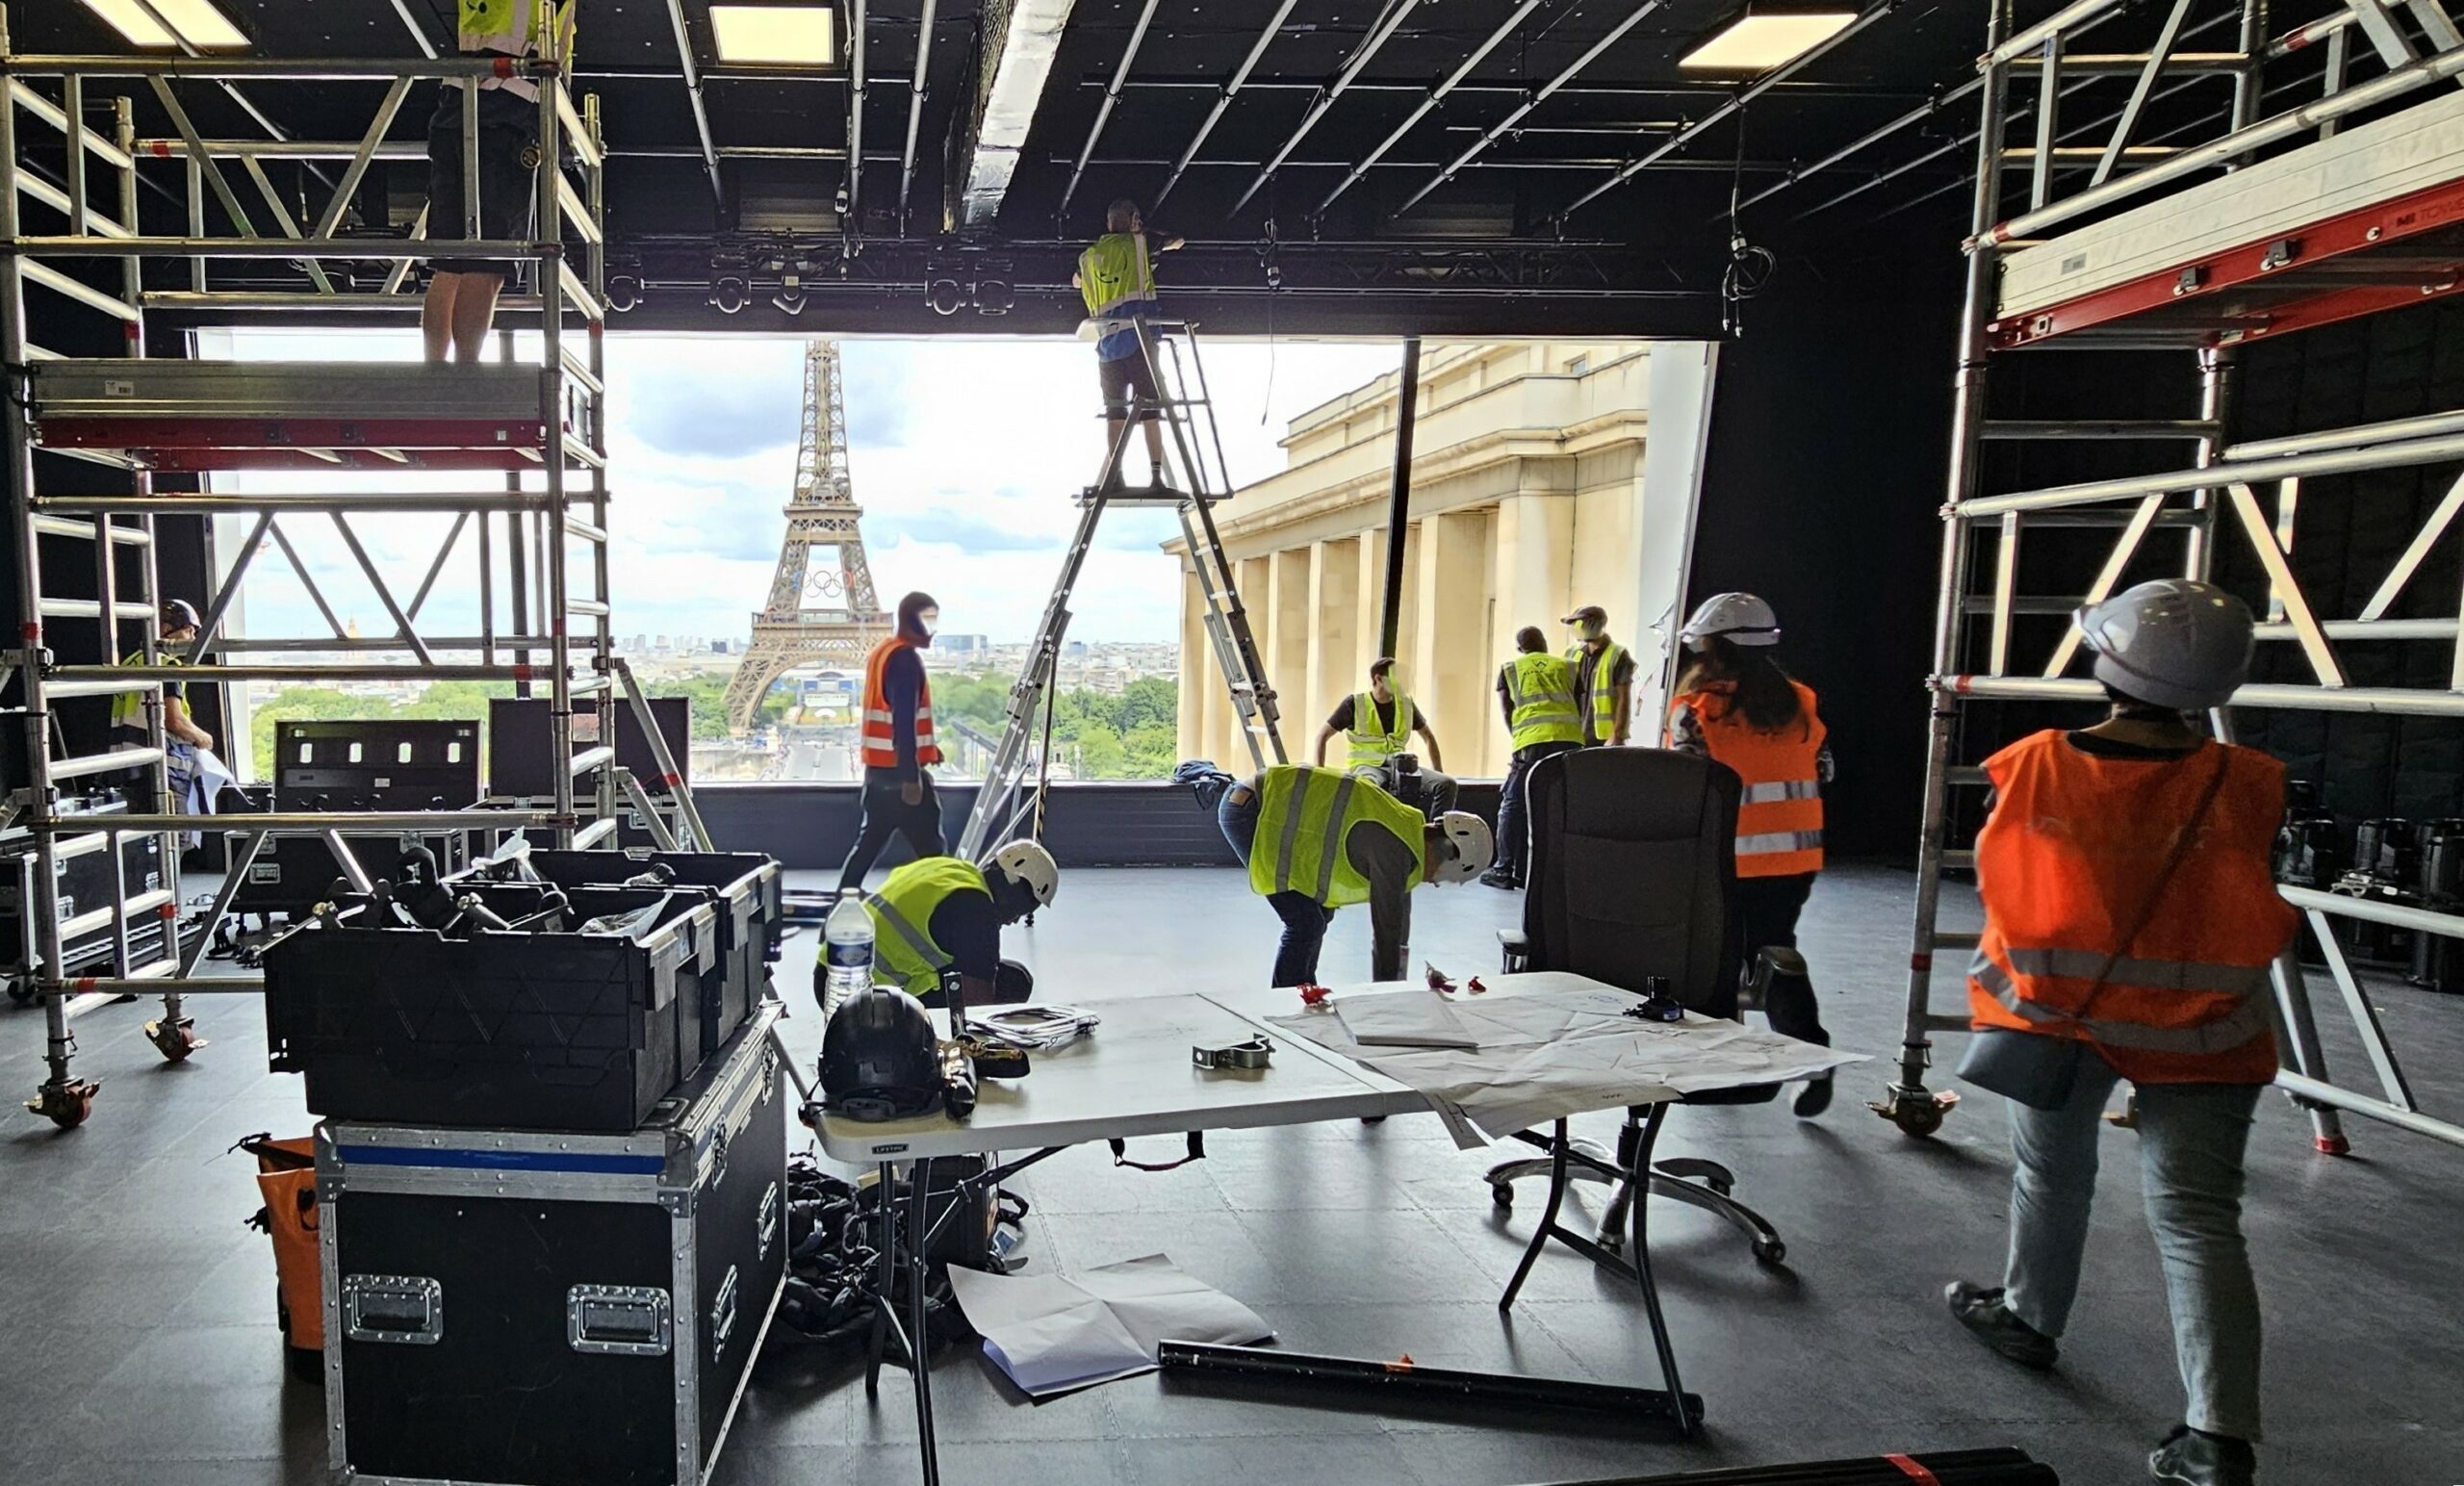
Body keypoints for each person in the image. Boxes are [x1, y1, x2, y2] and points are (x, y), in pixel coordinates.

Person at [1942, 579, 2294, 1486]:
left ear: (2106, 660)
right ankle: (2218, 1437)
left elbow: (2005, 891)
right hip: (2208, 1035)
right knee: (2199, 1221)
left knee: (2051, 1173)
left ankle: (2028, 1318)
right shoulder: (2252, 782)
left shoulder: (2034, 766)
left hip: (2062, 1021)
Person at [1667, 592, 1835, 1116]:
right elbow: (1824, 769)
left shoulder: (1697, 710)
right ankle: (1811, 1051)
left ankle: (1721, 1071)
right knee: (1776, 949)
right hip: (1794, 862)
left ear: (1710, 648)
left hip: (1726, 862)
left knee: (1714, 961)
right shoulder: (1801, 701)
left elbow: (1683, 786)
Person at [1217, 762, 1494, 987]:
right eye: (1446, 875)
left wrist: (1395, 979)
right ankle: (1285, 1000)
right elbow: (1388, 927)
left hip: (1257, 803)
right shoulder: (1394, 850)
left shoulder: (1410, 837)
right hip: (1250, 809)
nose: (1435, 883)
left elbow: (1399, 919)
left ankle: (1302, 987)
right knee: (1305, 922)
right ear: (1446, 849)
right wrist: (1388, 995)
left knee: (1318, 915)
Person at [422, 0, 571, 363]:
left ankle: (435, 372)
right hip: (508, 110)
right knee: (487, 263)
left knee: (450, 263)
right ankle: (466, 372)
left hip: (456, 106)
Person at [830, 840, 1060, 1010]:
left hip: (833, 974)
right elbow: (978, 1003)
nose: (1014, 920)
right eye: (1021, 911)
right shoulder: (976, 911)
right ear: (1013, 889)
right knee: (1011, 984)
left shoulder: (956, 872)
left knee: (1012, 974)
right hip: (862, 998)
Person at [1072, 198, 1183, 491]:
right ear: (1134, 219)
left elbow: (1075, 282)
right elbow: (1178, 242)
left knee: (1115, 412)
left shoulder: (1089, 257)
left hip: (1108, 347)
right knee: (1151, 411)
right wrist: (1144, 230)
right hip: (1140, 343)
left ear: (1108, 222)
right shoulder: (1139, 245)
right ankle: (1157, 478)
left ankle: (1116, 477)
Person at [840, 593, 947, 894]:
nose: (933, 629)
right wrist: (911, 778)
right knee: (934, 854)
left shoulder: (883, 652)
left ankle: (840, 909)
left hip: (878, 774)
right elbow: (902, 722)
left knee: (867, 848)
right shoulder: (904, 659)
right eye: (928, 621)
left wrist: (928, 751)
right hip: (901, 780)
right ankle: (949, 911)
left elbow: (890, 718)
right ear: (911, 621)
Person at [1482, 626, 1585, 890]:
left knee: (1513, 803)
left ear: (1520, 648)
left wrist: (1520, 736)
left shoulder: (1511, 669)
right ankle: (1562, 871)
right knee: (1564, 805)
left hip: (1532, 741)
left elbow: (1507, 710)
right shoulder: (1568, 666)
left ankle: (1503, 869)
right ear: (1544, 643)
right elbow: (1581, 705)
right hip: (1570, 741)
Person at [1313, 656, 1456, 815]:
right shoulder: (1355, 704)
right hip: (1367, 766)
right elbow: (1322, 736)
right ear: (1378, 679)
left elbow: (1428, 736)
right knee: (1369, 787)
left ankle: (1432, 834)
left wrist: (1439, 771)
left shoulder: (1406, 704)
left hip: (1401, 767)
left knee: (1447, 784)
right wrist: (1321, 775)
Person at [114, 600, 217, 819]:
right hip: (164, 771)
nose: (192, 639)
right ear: (166, 630)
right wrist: (203, 737)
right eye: (189, 631)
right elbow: (174, 720)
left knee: (145, 843)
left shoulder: (132, 662)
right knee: (176, 839)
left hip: (130, 770)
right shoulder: (166, 665)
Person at [1563, 604, 1635, 748]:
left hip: (1603, 739)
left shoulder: (1617, 654)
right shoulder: (1572, 653)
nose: (1578, 629)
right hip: (1575, 734)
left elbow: (1623, 698)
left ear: (1595, 624)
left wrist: (1617, 734)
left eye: (1580, 623)